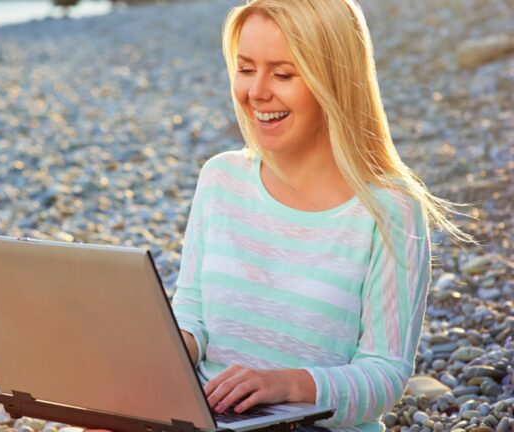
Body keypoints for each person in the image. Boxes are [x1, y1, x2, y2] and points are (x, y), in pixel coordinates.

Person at [170, 0, 470, 431]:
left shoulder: (390, 208)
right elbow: (192, 311)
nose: (256, 92)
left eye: (283, 74)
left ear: (335, 81)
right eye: (246, 68)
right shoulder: (220, 178)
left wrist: (287, 386)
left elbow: (385, 374)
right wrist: (158, 361)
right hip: (203, 417)